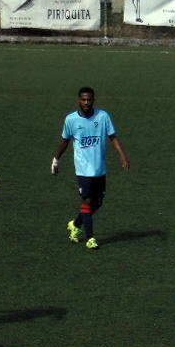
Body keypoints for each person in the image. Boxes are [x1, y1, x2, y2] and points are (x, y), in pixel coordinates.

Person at [51, 86, 130, 250]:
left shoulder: (103, 116)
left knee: (98, 202)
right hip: (83, 169)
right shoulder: (71, 120)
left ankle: (75, 224)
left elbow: (113, 137)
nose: (86, 102)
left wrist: (122, 155)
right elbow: (65, 141)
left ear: (93, 100)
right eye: (83, 99)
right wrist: (56, 160)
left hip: (99, 168)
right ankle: (90, 238)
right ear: (79, 100)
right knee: (87, 201)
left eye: (89, 99)